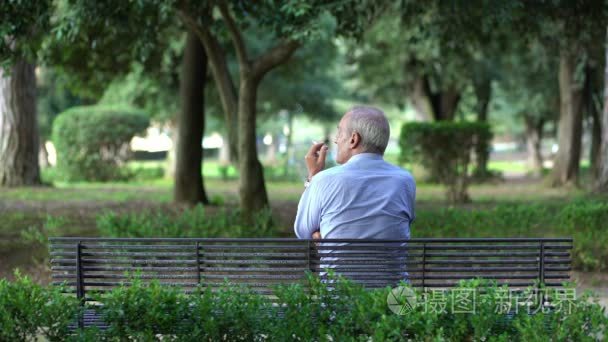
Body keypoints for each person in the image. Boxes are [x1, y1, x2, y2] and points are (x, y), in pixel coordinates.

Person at [293, 106, 416, 286]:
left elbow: (302, 232)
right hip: (392, 301)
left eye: (339, 132)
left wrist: (312, 177)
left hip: (337, 301)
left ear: (353, 139)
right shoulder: (405, 181)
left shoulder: (323, 180)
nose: (335, 140)